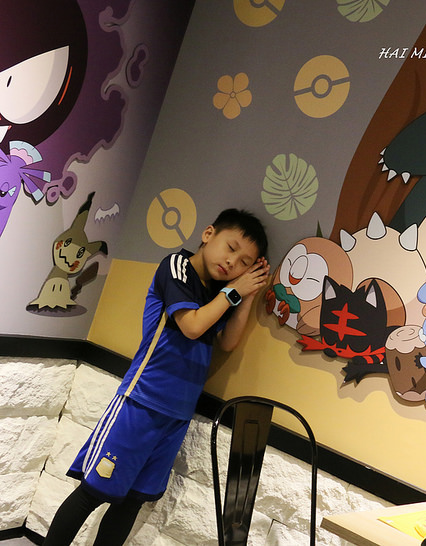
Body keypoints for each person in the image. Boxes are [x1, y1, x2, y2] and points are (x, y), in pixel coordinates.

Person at [43, 209, 270, 545]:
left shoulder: (220, 293)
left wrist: (246, 296)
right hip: (140, 402)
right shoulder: (177, 266)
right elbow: (192, 326)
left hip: (177, 415)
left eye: (244, 263)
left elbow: (228, 342)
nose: (231, 262)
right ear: (208, 234)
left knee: (131, 501)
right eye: (231, 248)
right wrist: (234, 291)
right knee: (93, 492)